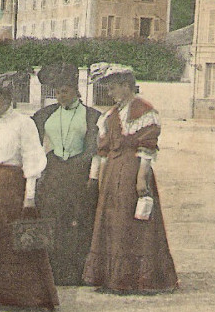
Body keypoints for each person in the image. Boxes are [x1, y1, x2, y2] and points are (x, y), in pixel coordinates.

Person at [83, 64, 178, 293]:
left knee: (133, 221)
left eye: (114, 88)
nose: (110, 93)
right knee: (113, 222)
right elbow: (102, 151)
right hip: (112, 172)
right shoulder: (110, 116)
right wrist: (95, 178)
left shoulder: (145, 112)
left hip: (133, 172)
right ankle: (113, 277)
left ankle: (137, 278)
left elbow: (147, 148)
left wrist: (142, 179)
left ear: (126, 86)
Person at [0, 83, 58, 310]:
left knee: (14, 239)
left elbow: (32, 159)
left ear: (6, 99)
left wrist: (30, 197)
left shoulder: (23, 123)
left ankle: (23, 298)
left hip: (12, 189)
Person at [31, 63, 102, 285]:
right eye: (59, 92)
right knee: (53, 220)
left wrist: (92, 176)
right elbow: (35, 146)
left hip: (79, 172)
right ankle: (55, 271)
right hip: (54, 173)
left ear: (76, 91)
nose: (62, 96)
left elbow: (96, 150)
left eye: (66, 91)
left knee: (79, 221)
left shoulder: (92, 116)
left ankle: (78, 272)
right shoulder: (45, 115)